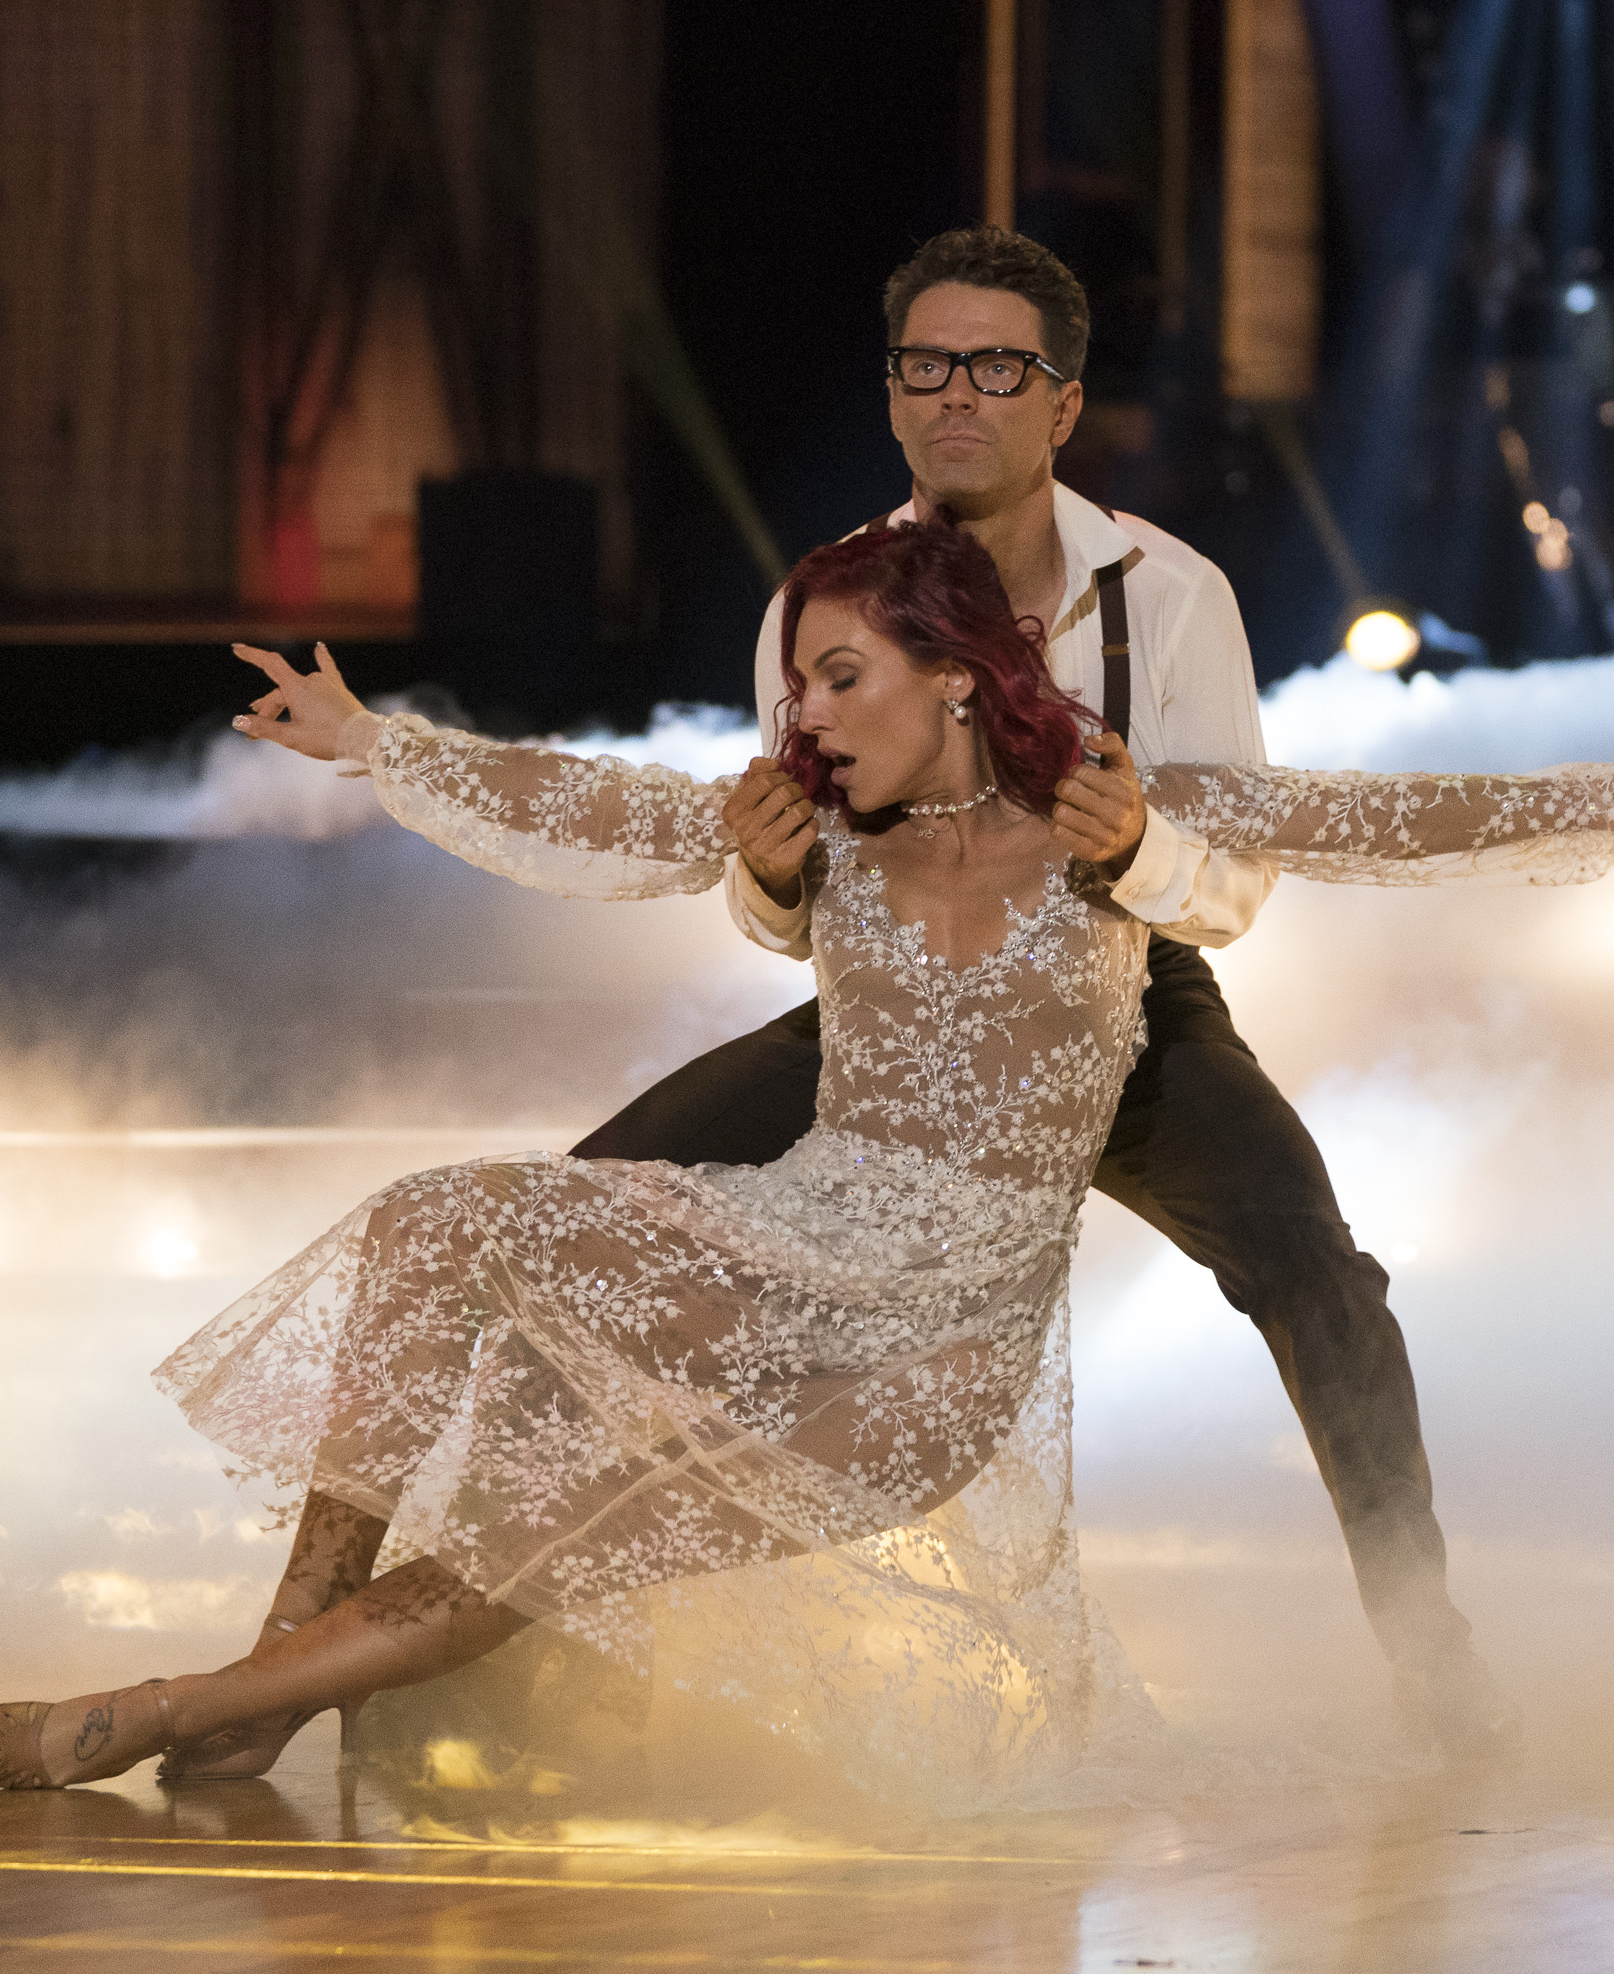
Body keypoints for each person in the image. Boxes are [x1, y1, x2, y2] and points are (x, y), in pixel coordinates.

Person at [0, 515, 1614, 1804]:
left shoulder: (1106, 809)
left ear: (958, 679)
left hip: (934, 1347)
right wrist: (367, 742)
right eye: (798, 685)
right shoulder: (819, 835)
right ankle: (275, 1667)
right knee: (443, 1226)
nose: (803, 716)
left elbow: (1377, 819)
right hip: (790, 1241)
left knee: (554, 1537)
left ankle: (160, 1710)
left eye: (837, 678)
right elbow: (585, 801)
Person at [580, 227, 1534, 1755]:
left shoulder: (1170, 596)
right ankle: (569, 1635)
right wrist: (762, 879)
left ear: (1063, 404)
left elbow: (1240, 882)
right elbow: (790, 904)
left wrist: (1147, 848)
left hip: (1131, 1006)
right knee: (596, 1210)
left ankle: (1430, 1650)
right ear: (894, 395)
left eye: (998, 367)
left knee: (1314, 1272)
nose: (959, 394)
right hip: (901, 1028)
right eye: (927, 365)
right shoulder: (818, 603)